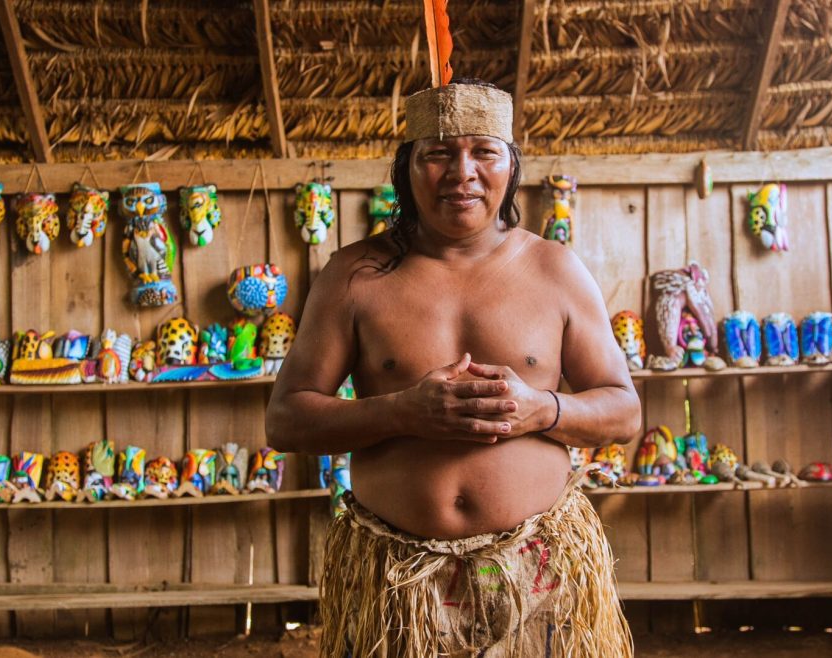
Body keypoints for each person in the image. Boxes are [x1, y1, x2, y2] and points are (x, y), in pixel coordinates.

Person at [266, 79, 640, 657]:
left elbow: (622, 411)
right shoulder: (353, 275)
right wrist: (400, 412)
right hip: (397, 582)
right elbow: (286, 421)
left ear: (509, 166)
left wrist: (544, 409)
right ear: (406, 169)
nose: (461, 172)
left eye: (483, 152)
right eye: (437, 152)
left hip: (535, 569)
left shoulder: (556, 270)